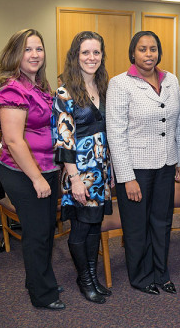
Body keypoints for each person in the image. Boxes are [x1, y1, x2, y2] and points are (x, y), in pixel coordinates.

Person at [106, 31, 180, 295]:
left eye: (153, 49)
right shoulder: (120, 84)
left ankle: (162, 273)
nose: (148, 54)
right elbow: (115, 134)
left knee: (162, 222)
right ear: (133, 53)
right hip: (136, 167)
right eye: (142, 49)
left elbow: (179, 123)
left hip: (165, 164)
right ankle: (141, 277)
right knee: (137, 225)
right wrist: (127, 177)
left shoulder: (171, 80)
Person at [0, 29, 64, 310]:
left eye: (39, 49)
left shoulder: (40, 87)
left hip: (47, 167)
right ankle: (42, 295)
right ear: (16, 54)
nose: (35, 55)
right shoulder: (13, 89)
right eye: (27, 50)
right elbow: (12, 140)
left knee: (46, 230)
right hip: (23, 172)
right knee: (37, 234)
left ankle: (38, 279)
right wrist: (36, 178)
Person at [52, 31, 112, 304]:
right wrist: (75, 179)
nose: (91, 57)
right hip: (79, 173)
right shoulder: (65, 92)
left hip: (101, 172)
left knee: (94, 226)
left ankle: (92, 276)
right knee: (80, 228)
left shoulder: (104, 87)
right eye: (85, 52)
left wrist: (110, 173)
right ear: (75, 56)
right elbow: (64, 140)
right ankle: (84, 279)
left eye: (96, 52)